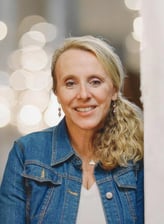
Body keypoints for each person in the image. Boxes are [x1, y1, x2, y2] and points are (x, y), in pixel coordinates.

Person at [0, 35, 144, 224]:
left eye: (95, 82)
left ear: (114, 90)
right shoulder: (26, 153)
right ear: (57, 93)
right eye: (70, 83)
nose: (83, 94)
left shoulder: (138, 156)